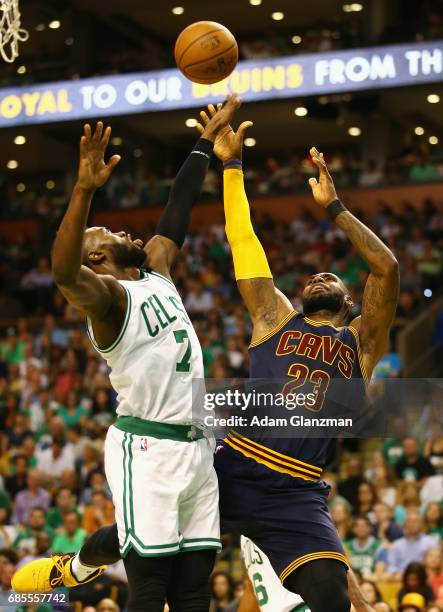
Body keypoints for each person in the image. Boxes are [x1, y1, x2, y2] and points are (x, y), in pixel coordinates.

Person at [12, 97, 242, 612]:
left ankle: (74, 566)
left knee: (196, 585)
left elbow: (178, 208)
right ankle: (71, 569)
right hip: (148, 450)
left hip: (196, 445)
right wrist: (82, 191)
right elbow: (65, 273)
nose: (126, 233)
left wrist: (206, 143)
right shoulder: (109, 301)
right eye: (112, 235)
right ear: (99, 259)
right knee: (150, 583)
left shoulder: (156, 272)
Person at [207, 111, 399, 612]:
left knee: (331, 593)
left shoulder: (362, 342)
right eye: (312, 277)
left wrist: (334, 206)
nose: (318, 277)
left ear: (350, 301)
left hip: (297, 488)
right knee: (150, 543)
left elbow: (387, 266)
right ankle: (74, 566)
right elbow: (242, 238)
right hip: (238, 463)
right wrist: (232, 166)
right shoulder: (275, 317)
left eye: (330, 278)